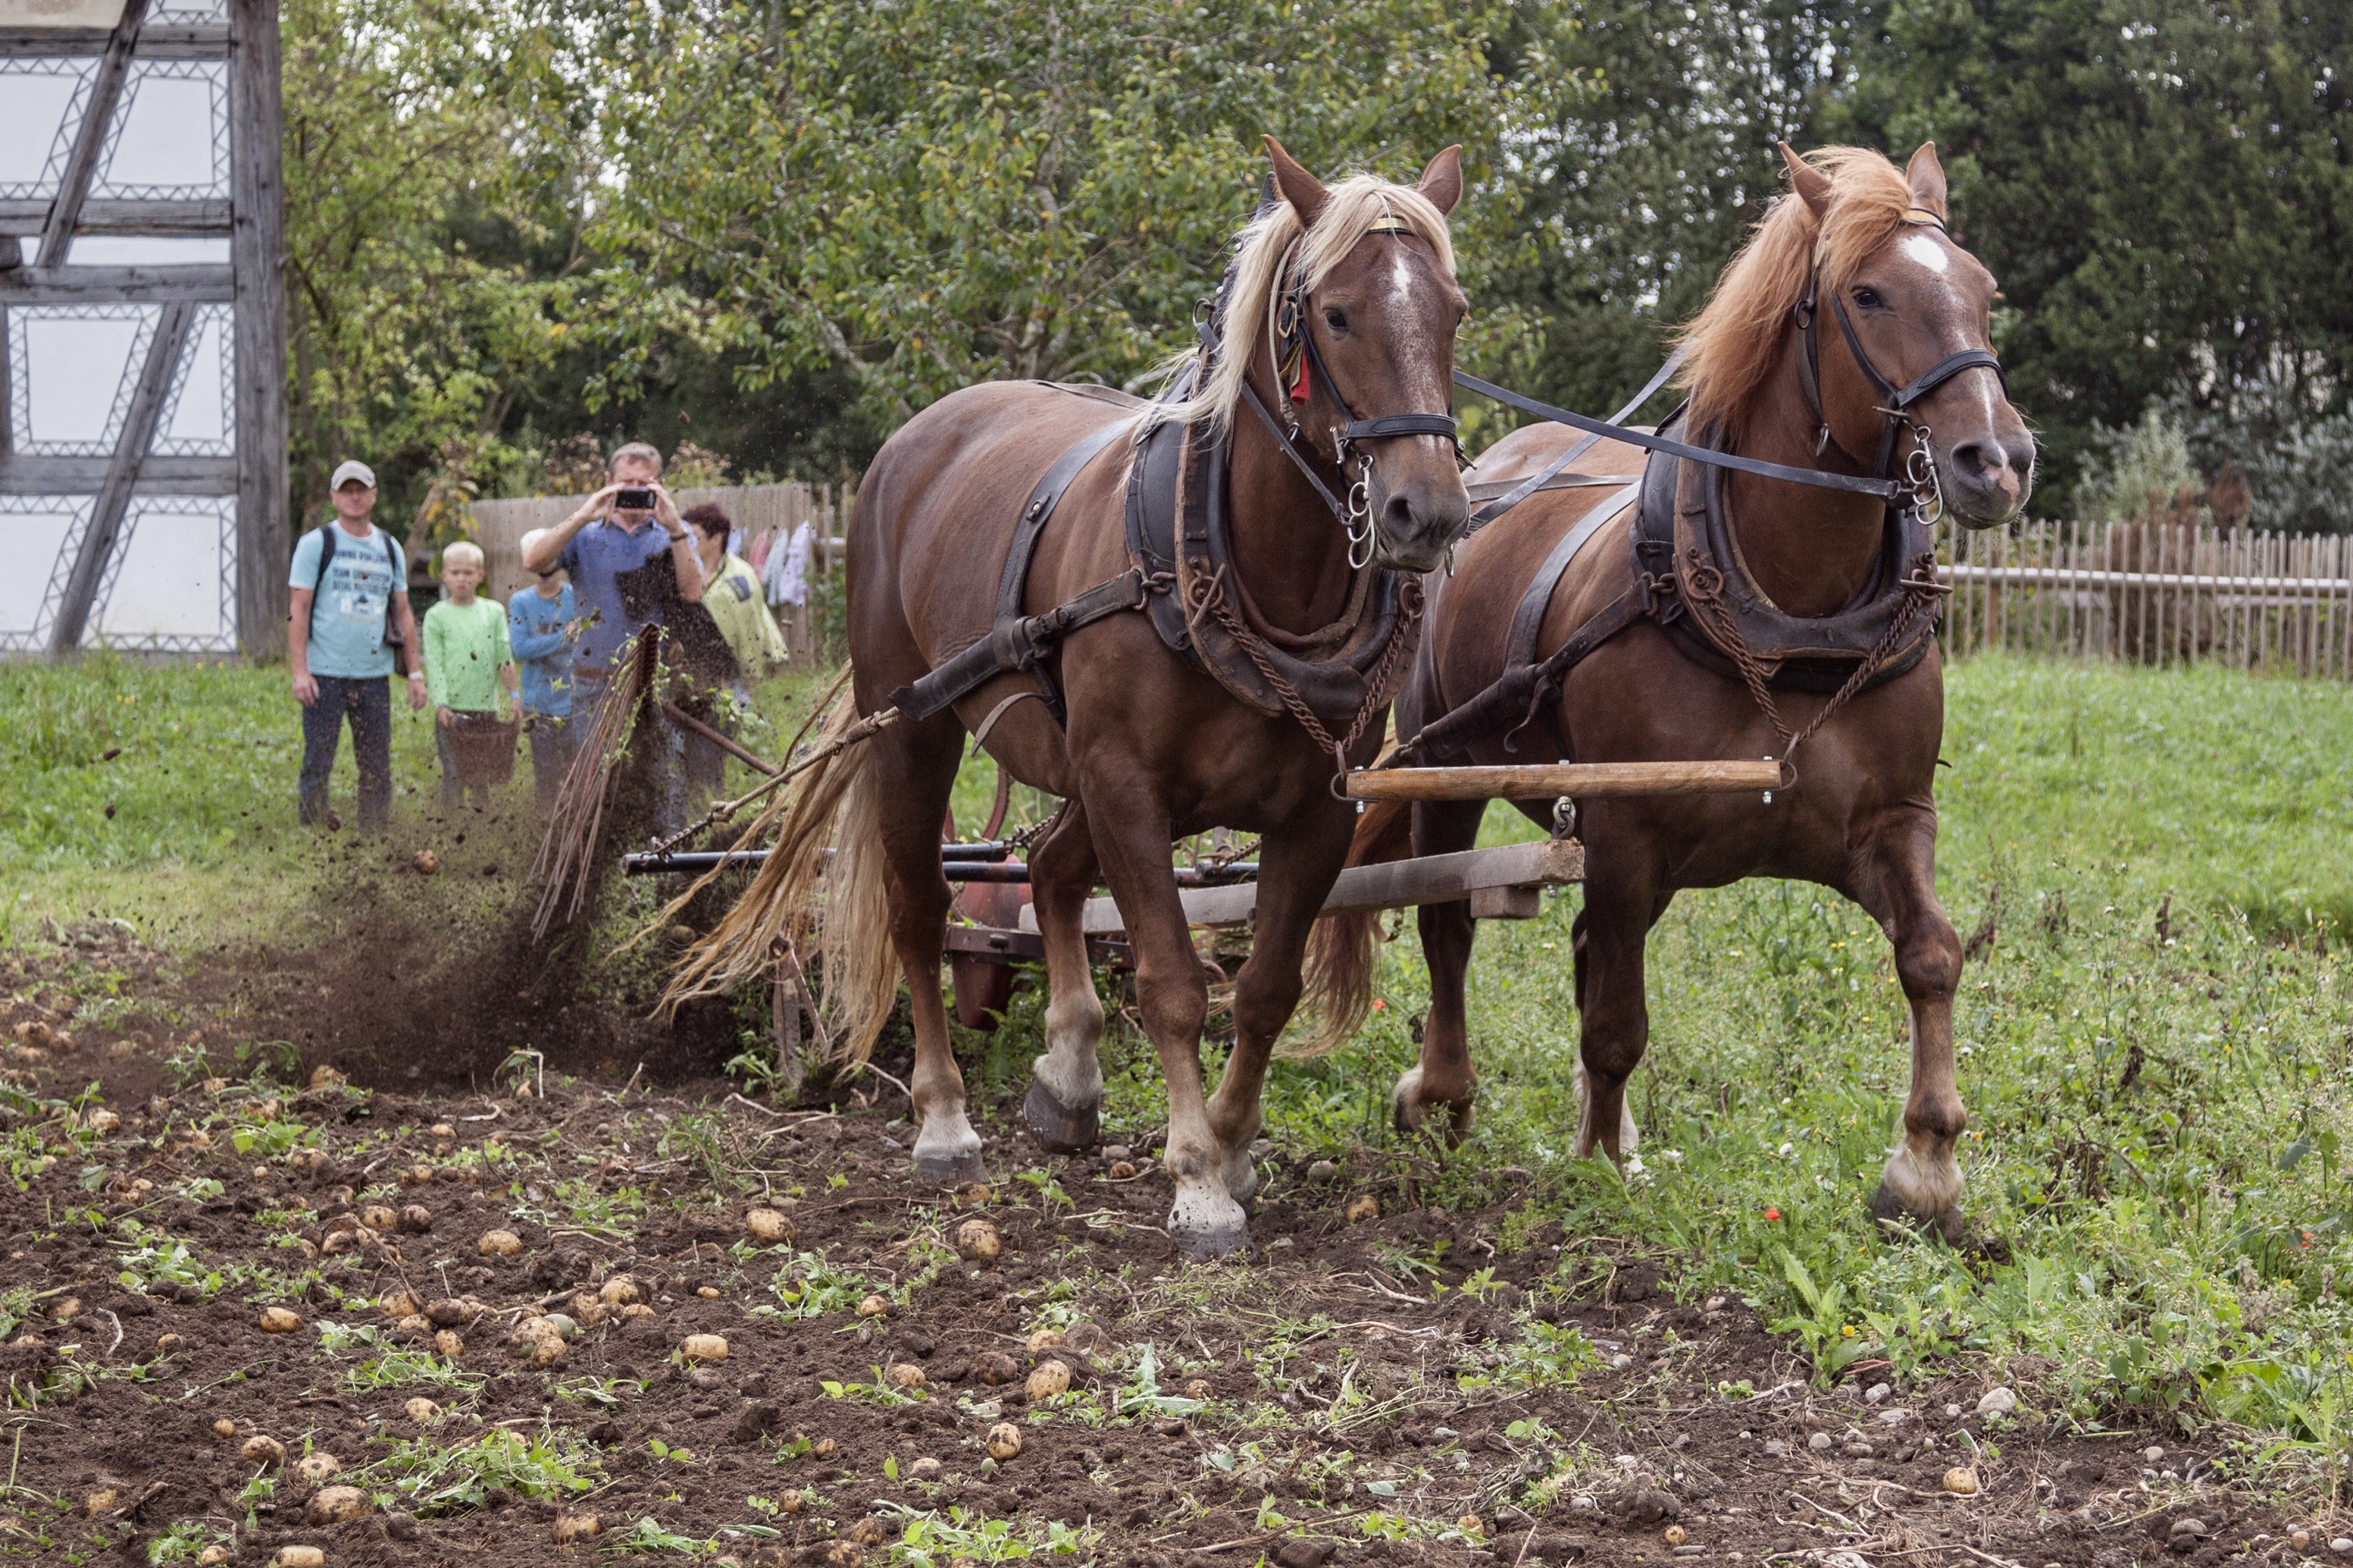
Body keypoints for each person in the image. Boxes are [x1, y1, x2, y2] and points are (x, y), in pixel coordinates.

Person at [518, 442, 704, 828]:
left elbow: (692, 592)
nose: (634, 490)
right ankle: (595, 867)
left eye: (643, 483)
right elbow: (534, 561)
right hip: (594, 685)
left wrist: (674, 529)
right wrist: (585, 512)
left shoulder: (673, 535)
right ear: (608, 483)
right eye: (626, 483)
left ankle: (667, 872)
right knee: (595, 787)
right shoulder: (586, 535)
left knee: (666, 788)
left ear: (659, 485)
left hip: (656, 685)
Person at [287, 459, 424, 830]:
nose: (354, 496)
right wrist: (300, 672)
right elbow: (297, 609)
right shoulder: (318, 543)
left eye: (361, 489)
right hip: (324, 673)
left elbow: (404, 611)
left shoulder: (389, 546)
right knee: (319, 757)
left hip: (373, 675)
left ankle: (374, 834)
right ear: (334, 496)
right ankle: (312, 832)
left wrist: (414, 672)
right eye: (346, 490)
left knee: (376, 762)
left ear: (373, 495)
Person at [681, 503, 788, 797]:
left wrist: (735, 682)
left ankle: (709, 809)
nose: (689, 544)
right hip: (685, 681)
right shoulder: (684, 571)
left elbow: (749, 635)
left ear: (716, 539)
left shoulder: (738, 579)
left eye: (695, 537)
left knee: (709, 752)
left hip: (727, 682)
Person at [421, 540, 517, 811]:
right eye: (455, 572)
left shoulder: (493, 611)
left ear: (480, 576)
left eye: (468, 572)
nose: (461, 578)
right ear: (444, 576)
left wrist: (514, 696)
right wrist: (441, 703)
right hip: (452, 709)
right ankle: (451, 825)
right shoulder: (436, 616)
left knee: (481, 774)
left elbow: (504, 656)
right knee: (453, 772)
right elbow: (436, 664)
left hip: (485, 708)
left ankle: (482, 827)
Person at [508, 527, 581, 807]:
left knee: (576, 773)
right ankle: (545, 827)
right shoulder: (521, 602)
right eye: (538, 563)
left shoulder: (575, 596)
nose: (545, 569)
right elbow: (520, 648)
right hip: (539, 705)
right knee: (546, 775)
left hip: (575, 703)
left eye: (549, 562)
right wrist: (563, 637)